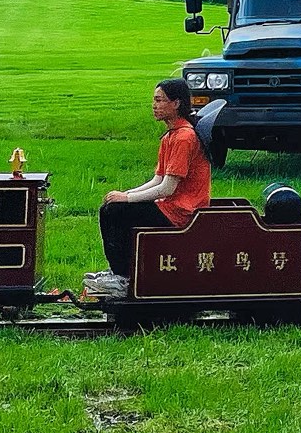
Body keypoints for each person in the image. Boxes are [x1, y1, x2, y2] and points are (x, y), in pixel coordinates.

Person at [89, 78, 211, 296]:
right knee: (111, 207)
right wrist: (125, 194)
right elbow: (158, 180)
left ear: (176, 104)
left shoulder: (184, 137)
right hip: (169, 207)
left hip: (181, 213)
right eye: (154, 100)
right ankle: (120, 271)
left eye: (159, 100)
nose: (154, 105)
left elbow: (167, 189)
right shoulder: (171, 135)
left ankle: (122, 276)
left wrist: (125, 199)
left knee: (115, 212)